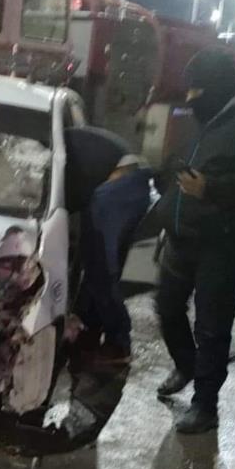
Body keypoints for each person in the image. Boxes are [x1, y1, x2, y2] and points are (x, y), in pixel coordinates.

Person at [154, 49, 235, 433]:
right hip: (181, 234)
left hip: (221, 242)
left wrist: (212, 188)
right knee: (167, 307)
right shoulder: (203, 115)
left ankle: (205, 406)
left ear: (220, 87)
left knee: (212, 324)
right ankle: (186, 364)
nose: (191, 99)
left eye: (197, 91)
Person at [64, 126, 154, 363]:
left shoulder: (36, 151)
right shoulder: (39, 141)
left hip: (119, 185)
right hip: (126, 178)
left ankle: (118, 342)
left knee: (101, 267)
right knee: (94, 260)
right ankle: (90, 328)